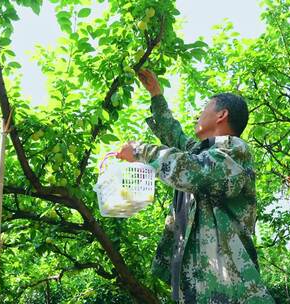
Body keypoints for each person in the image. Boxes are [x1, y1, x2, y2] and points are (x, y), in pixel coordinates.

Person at [116, 69, 275, 303]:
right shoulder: (201, 151)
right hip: (196, 285)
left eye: (203, 111)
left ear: (222, 115)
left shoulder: (235, 150)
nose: (198, 117)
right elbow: (175, 136)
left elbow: (196, 172)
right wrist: (156, 95)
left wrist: (141, 151)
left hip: (229, 286)